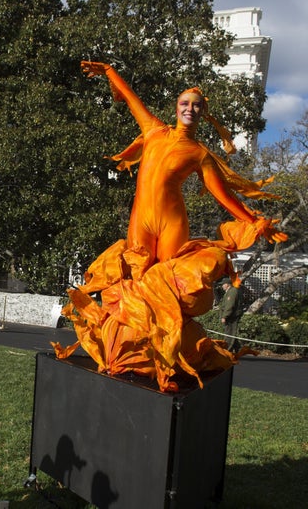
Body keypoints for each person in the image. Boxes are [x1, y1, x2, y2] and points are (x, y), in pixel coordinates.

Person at [55, 62, 287, 392]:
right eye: (184, 104)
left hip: (172, 223)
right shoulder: (153, 131)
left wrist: (254, 221)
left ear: (203, 112)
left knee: (164, 291)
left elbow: (222, 196)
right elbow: (131, 98)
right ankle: (136, 352)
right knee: (137, 281)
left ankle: (166, 362)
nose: (189, 109)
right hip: (142, 221)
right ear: (176, 108)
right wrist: (108, 71)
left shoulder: (199, 153)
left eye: (196, 105)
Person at [219, 279, 242, 352]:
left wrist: (225, 316)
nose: (222, 286)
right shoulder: (229, 291)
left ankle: (227, 350)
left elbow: (230, 305)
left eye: (223, 284)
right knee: (231, 332)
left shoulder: (232, 292)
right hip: (231, 316)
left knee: (229, 332)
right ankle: (238, 348)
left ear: (227, 284)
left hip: (232, 316)